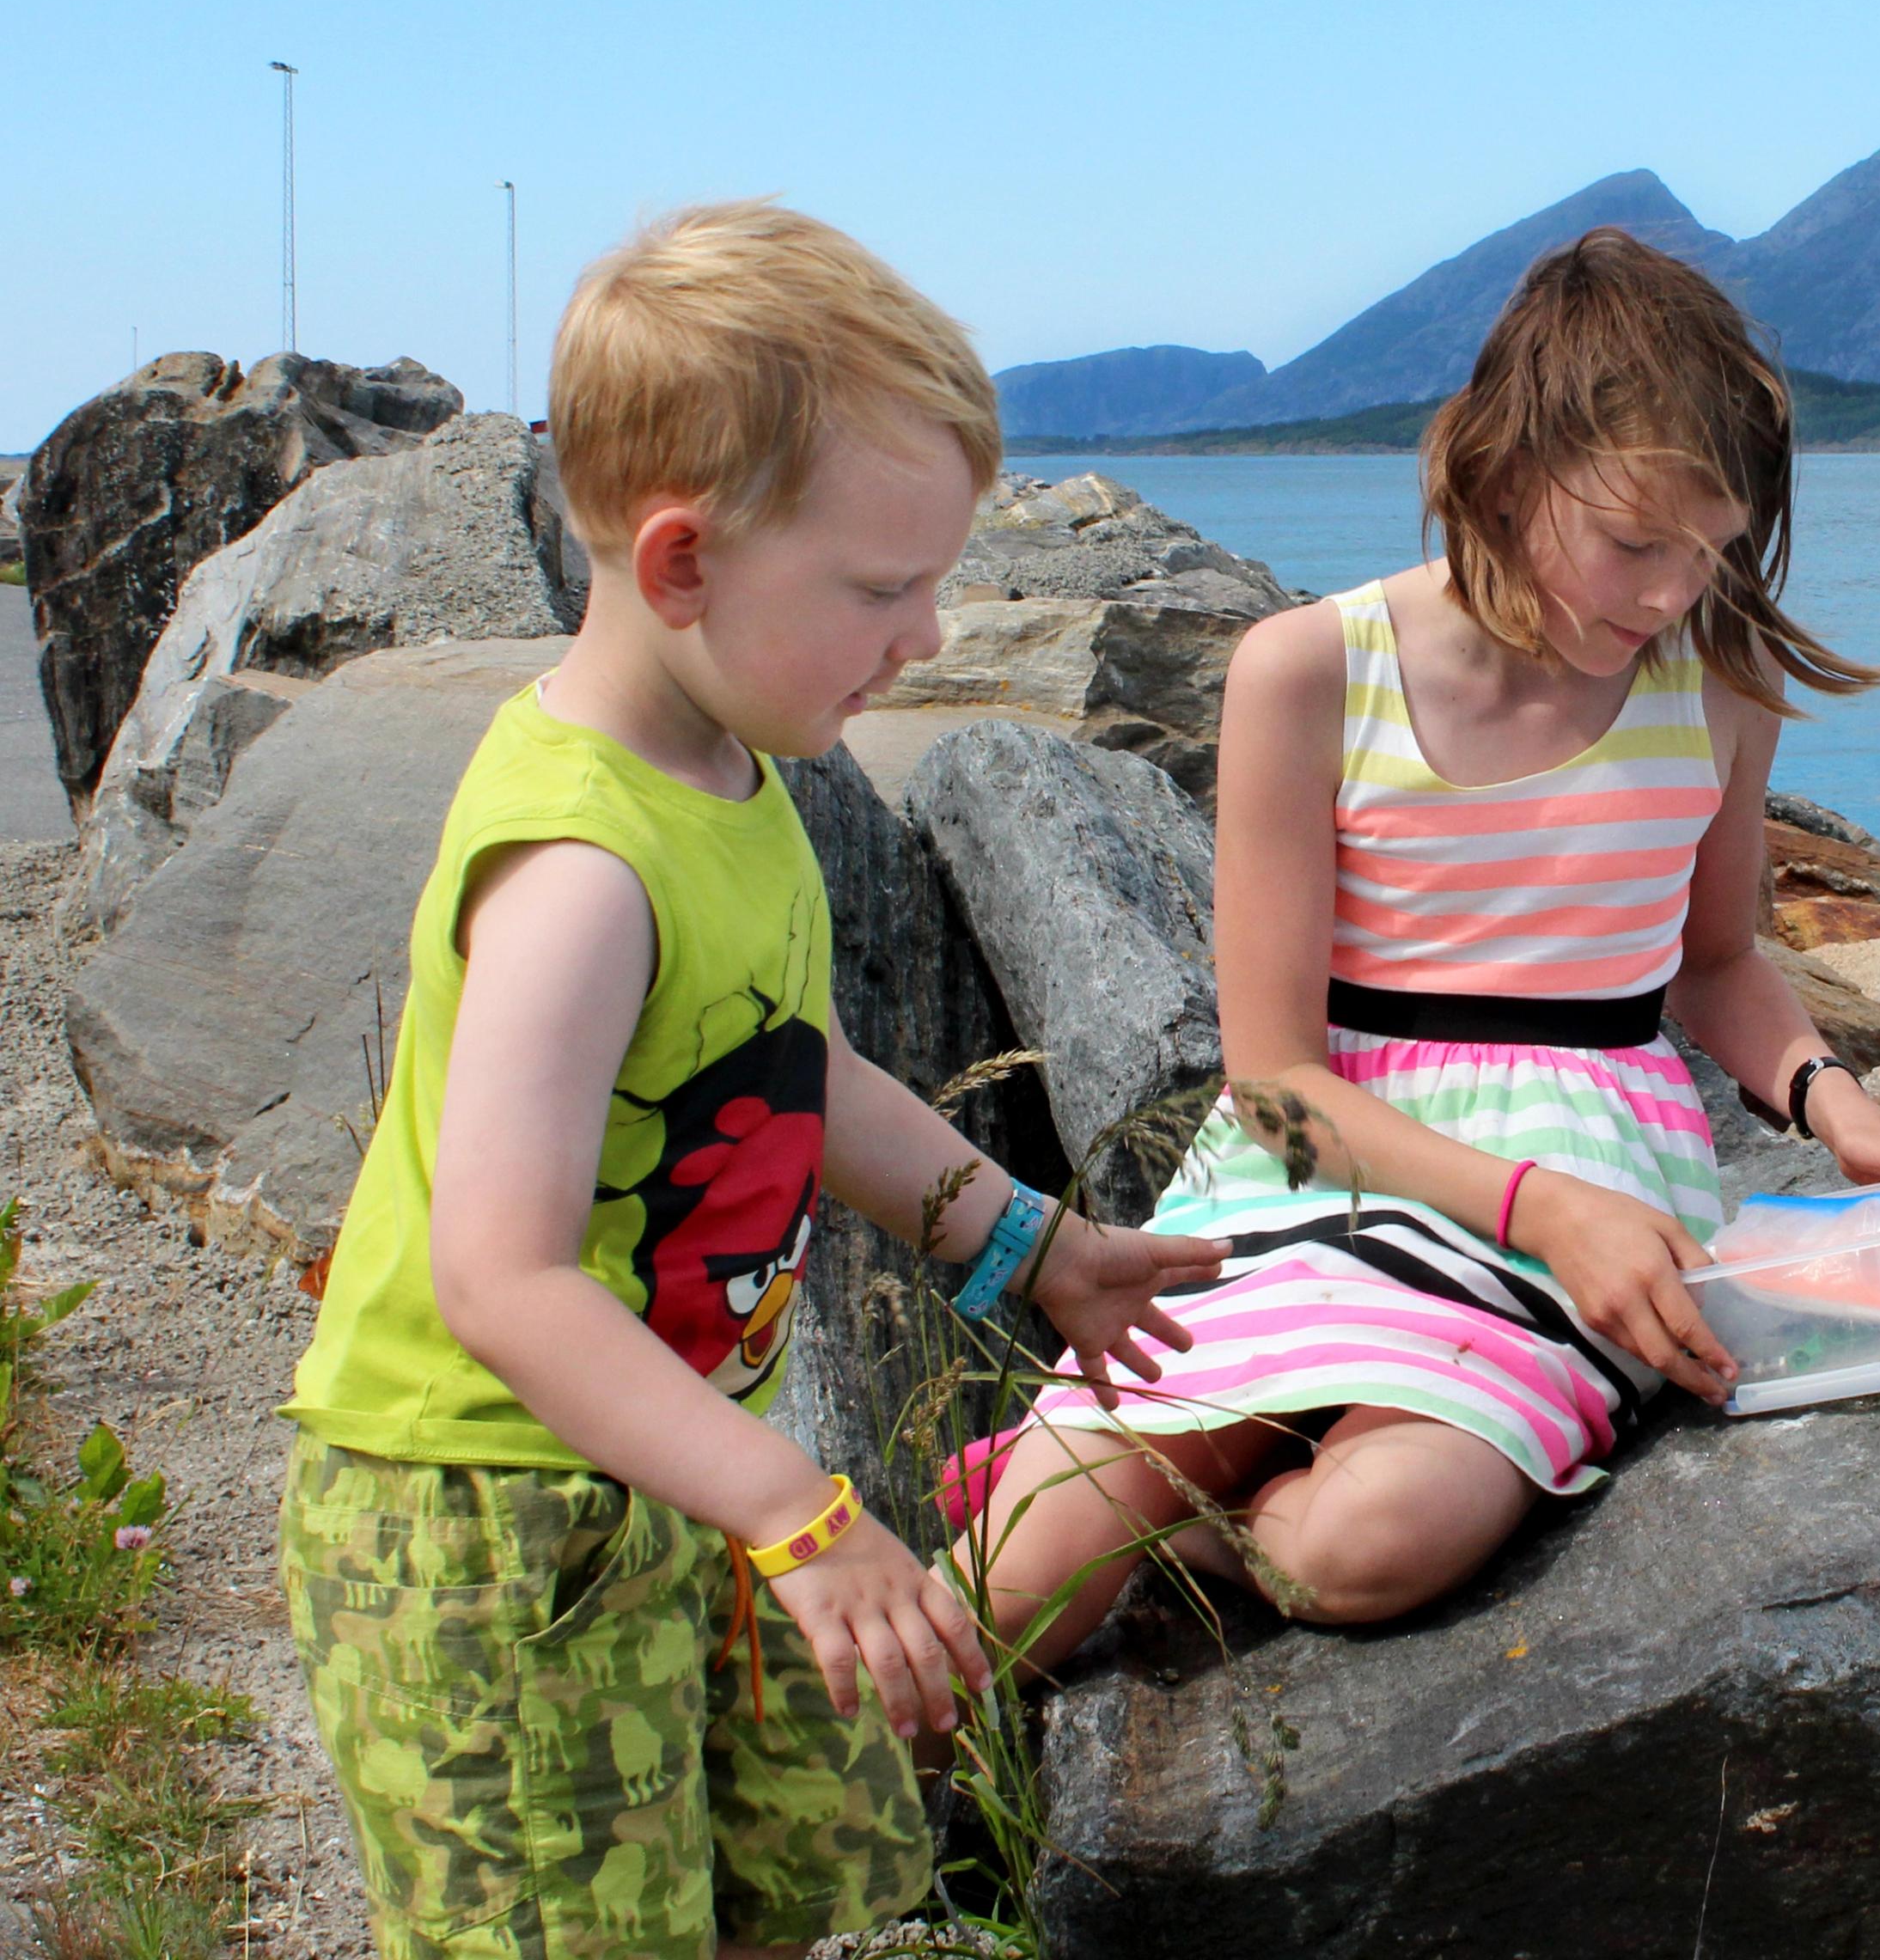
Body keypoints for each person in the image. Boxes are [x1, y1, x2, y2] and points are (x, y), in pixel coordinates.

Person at [277, 201, 1228, 1960]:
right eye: (879, 588)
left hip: (692, 1468)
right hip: (499, 1526)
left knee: (771, 1884)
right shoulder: (578, 871)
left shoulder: (727, 764)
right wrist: (803, 1514)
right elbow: (499, 1278)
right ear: (683, 561)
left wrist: (1030, 1244)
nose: (931, 633)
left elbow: (798, 1072)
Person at [950, 227, 1880, 1668]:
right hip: (1319, 1161)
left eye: (1711, 552)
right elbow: (1277, 1087)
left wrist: (1833, 1103)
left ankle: (1196, 1524)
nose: (1674, 594)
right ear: (1503, 464)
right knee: (1010, 1581)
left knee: (1363, 1548)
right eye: (1634, 543)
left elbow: (1717, 961)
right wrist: (1533, 1207)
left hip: (1597, 1170)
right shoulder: (1310, 669)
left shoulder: (1718, 686)